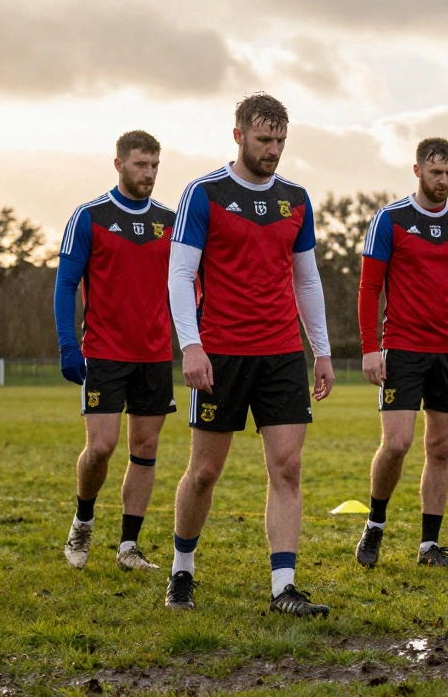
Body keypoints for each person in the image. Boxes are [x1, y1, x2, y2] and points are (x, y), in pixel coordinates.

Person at [165, 93, 335, 615]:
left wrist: (321, 351)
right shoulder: (204, 193)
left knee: (287, 468)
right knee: (204, 473)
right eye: (264, 139)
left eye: (281, 140)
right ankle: (182, 570)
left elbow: (306, 280)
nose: (273, 150)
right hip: (221, 355)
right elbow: (179, 275)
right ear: (238, 135)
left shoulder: (296, 199)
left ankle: (283, 586)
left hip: (282, 354)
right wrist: (191, 346)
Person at [354, 137, 448, 569]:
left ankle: (429, 547)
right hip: (402, 349)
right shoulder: (391, 220)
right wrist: (369, 348)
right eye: (436, 173)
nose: (444, 181)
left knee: (440, 448)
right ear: (417, 171)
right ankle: (375, 523)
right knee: (397, 444)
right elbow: (368, 288)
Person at [55, 130, 174, 572]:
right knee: (101, 447)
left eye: (155, 165)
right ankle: (83, 521)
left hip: (156, 354)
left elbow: (188, 284)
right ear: (119, 164)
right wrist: (69, 344)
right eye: (141, 164)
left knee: (145, 447)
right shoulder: (90, 216)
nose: (149, 173)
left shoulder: (169, 220)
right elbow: (66, 284)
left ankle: (128, 547)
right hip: (104, 353)